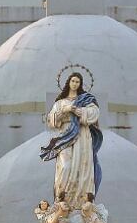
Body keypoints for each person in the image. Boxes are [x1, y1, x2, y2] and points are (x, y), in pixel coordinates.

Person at [40, 72, 103, 209]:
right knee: (65, 167)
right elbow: (52, 121)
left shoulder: (86, 100)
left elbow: (95, 112)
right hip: (66, 135)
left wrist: (81, 112)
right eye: (73, 81)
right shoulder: (60, 103)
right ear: (68, 82)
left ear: (80, 84)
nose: (75, 84)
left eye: (78, 82)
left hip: (82, 136)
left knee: (83, 167)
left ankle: (82, 203)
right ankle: (62, 200)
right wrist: (66, 110)